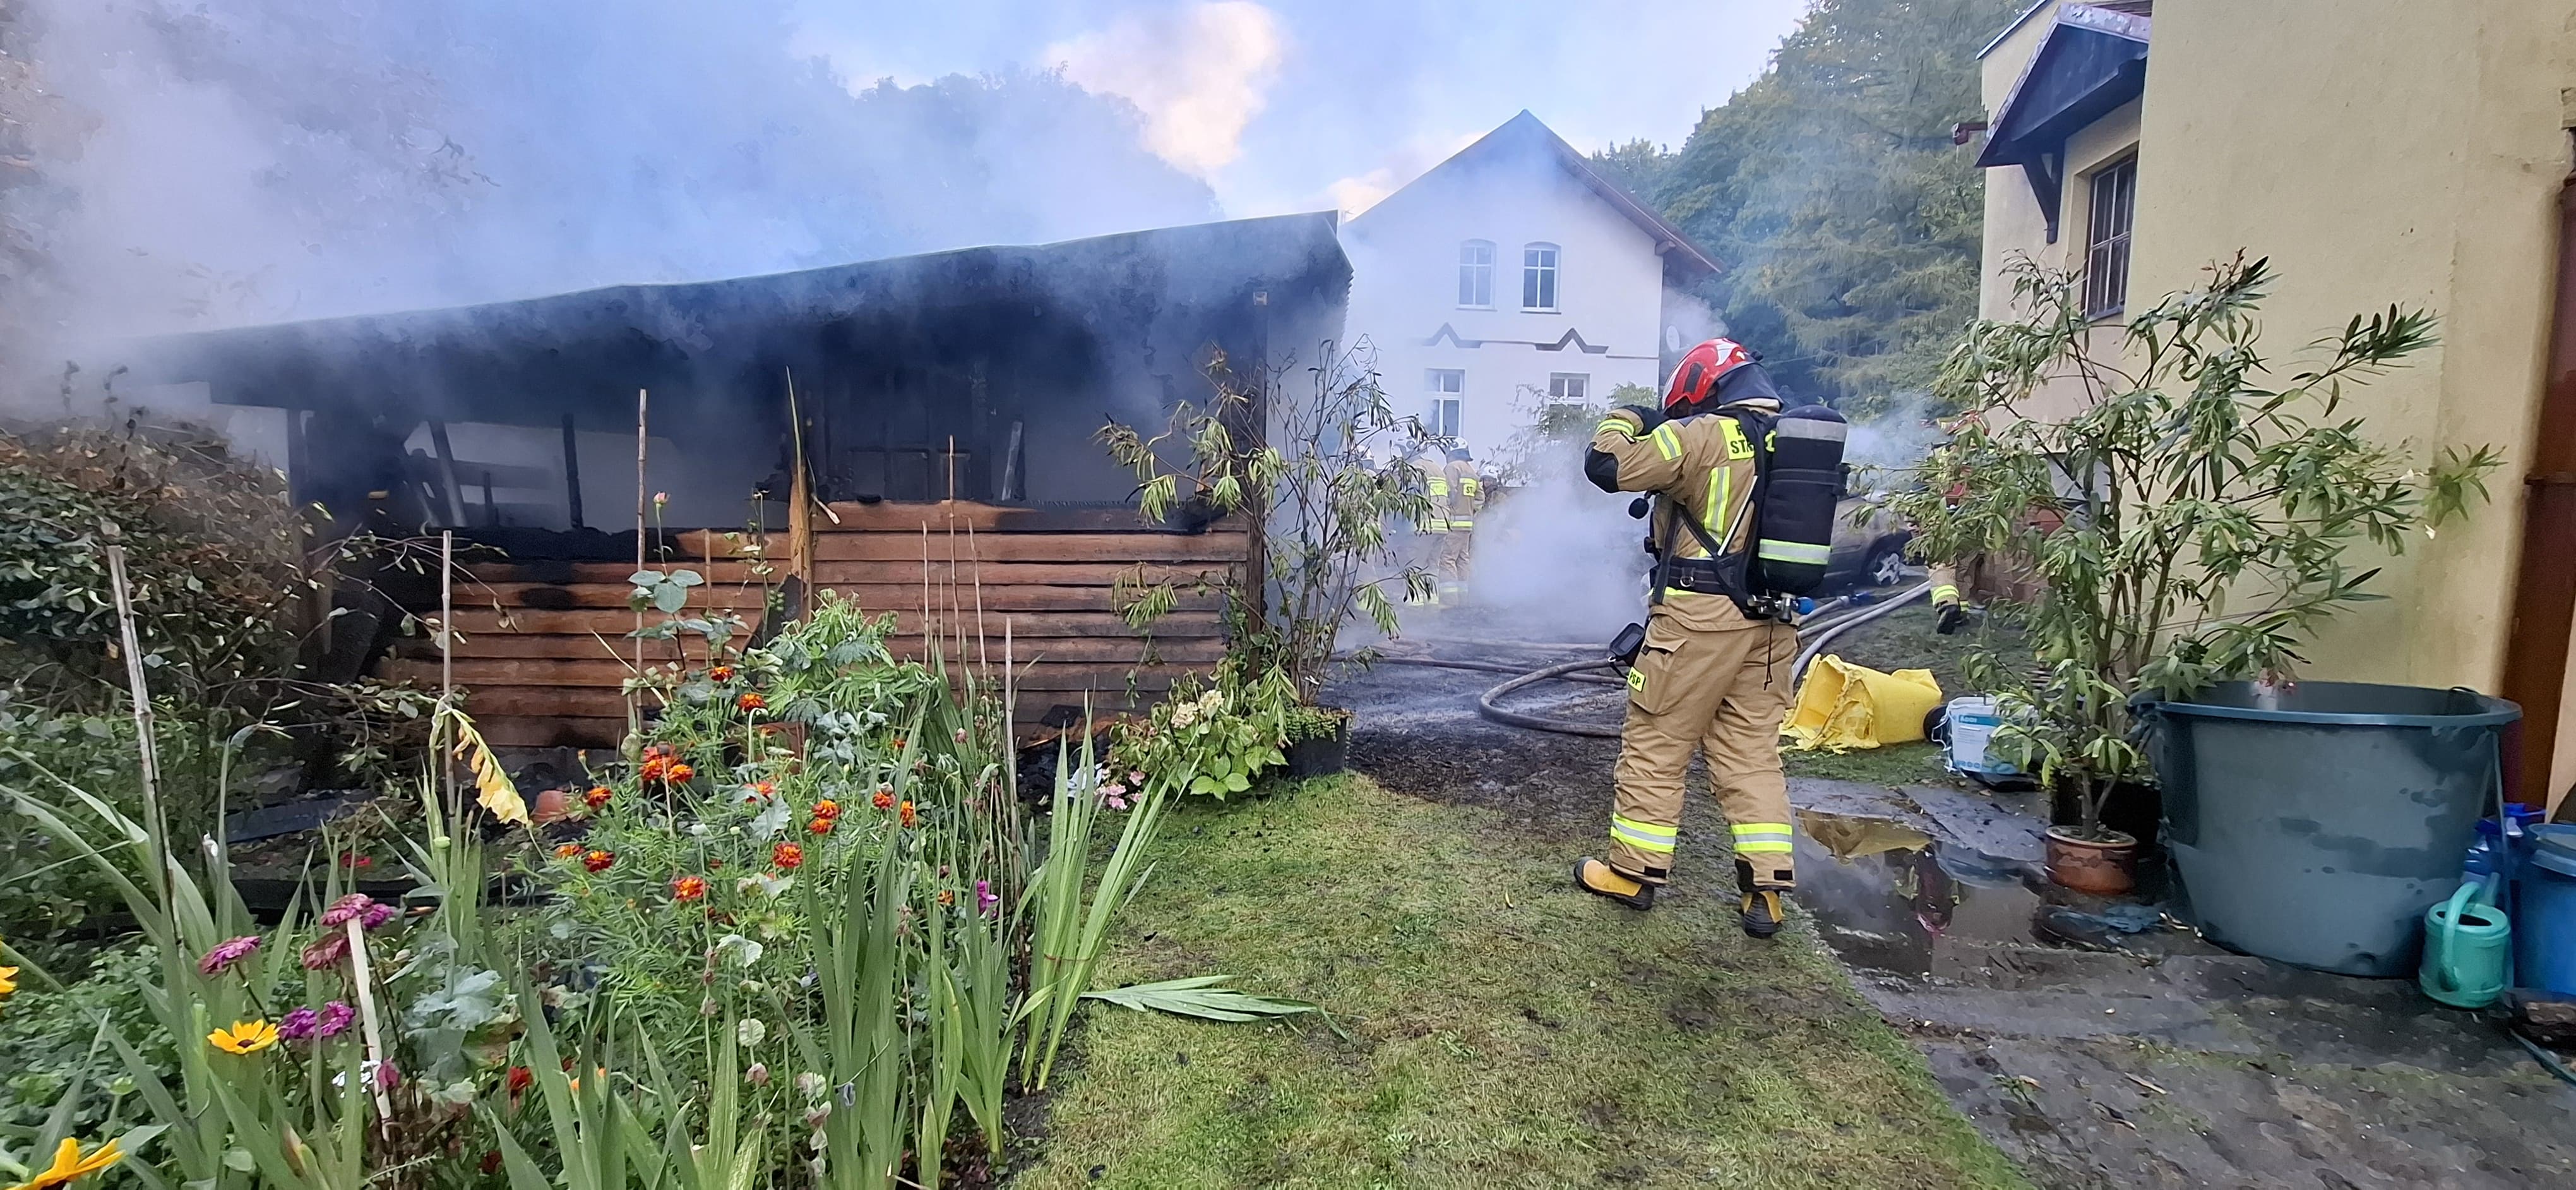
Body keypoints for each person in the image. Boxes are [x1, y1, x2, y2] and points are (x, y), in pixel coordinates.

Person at [1572, 337, 1801, 938]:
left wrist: (1628, 419)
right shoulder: (1797, 440)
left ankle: (1633, 874)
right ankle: (1767, 891)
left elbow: (1608, 468)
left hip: (1701, 618)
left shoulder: (1700, 436)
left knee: (1657, 740)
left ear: (1702, 386)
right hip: (1775, 625)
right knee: (1751, 752)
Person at [1434, 447, 1484, 603]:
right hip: (1467, 525)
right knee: (1463, 560)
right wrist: (1469, 510)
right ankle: (1463, 598)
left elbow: (1449, 493)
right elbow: (1480, 498)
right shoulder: (1472, 472)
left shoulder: (1452, 468)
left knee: (1447, 559)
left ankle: (1449, 600)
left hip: (1453, 523)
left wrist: (1449, 509)